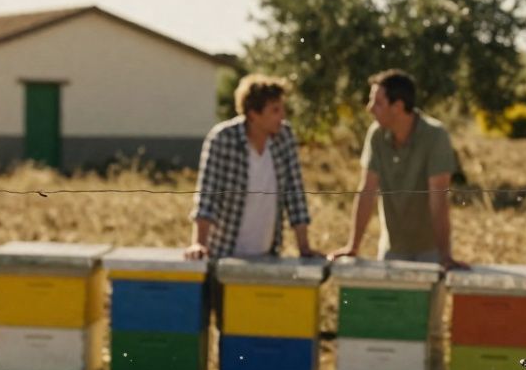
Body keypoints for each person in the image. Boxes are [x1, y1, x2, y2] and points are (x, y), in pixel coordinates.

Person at [329, 69, 467, 269]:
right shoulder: (376, 135)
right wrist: (353, 246)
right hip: (392, 249)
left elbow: (438, 197)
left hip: (430, 251)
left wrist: (444, 255)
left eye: (377, 103)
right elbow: (367, 190)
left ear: (398, 107)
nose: (369, 108)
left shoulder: (435, 136)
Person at [185, 74, 320, 260]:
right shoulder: (223, 139)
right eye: (275, 110)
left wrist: (304, 248)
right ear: (253, 114)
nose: (282, 115)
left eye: (282, 109)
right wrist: (199, 243)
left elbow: (295, 195)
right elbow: (208, 197)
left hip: (268, 255)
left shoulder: (285, 137)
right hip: (224, 253)